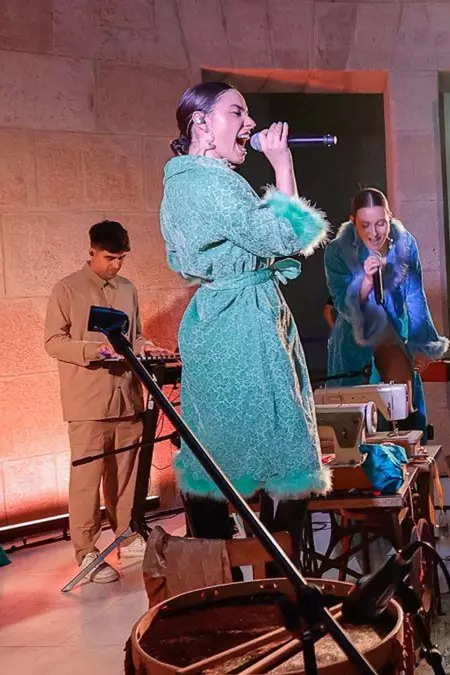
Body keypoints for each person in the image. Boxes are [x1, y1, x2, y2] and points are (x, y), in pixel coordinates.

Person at [160, 82, 331, 552]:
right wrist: (283, 165)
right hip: (241, 321)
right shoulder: (208, 182)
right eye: (237, 112)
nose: (250, 123)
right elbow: (284, 237)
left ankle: (224, 565)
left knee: (217, 447)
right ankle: (276, 574)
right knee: (283, 447)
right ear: (201, 123)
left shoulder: (187, 181)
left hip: (223, 315)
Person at [44, 221, 170, 582]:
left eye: (121, 258)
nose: (116, 265)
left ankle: (127, 536)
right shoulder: (67, 289)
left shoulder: (127, 289)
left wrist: (147, 346)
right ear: (92, 252)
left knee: (126, 475)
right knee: (87, 478)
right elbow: (53, 341)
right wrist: (92, 350)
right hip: (88, 401)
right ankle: (86, 551)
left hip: (127, 397)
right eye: (109, 258)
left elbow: (135, 335)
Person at [325, 188, 449, 431]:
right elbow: (341, 303)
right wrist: (365, 283)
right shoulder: (337, 251)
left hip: (395, 332)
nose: (374, 233)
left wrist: (422, 344)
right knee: (359, 421)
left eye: (381, 223)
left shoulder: (405, 244)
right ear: (353, 222)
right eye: (365, 225)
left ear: (390, 217)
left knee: (403, 408)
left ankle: (404, 449)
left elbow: (415, 294)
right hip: (354, 340)